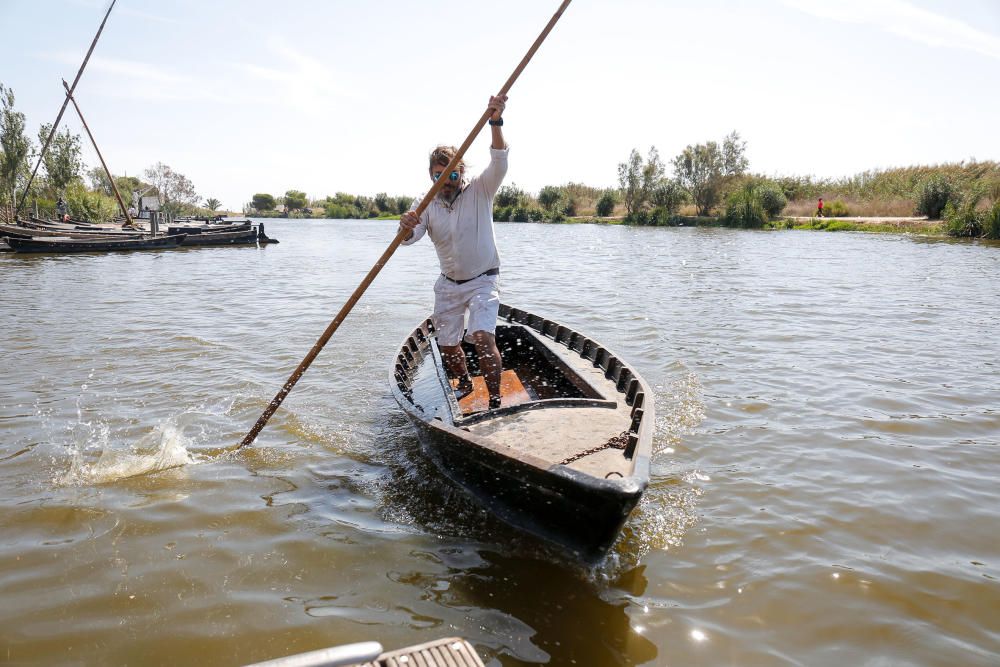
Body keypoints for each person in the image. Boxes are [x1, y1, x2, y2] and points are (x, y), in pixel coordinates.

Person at [399, 95, 509, 411]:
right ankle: (462, 382)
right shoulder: (426, 202)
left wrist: (496, 121)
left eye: (450, 175)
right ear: (430, 176)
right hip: (448, 283)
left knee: (482, 338)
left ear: (460, 172)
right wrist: (404, 226)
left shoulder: (481, 189)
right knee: (448, 346)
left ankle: (495, 401)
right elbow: (410, 237)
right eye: (437, 176)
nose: (444, 181)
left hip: (483, 280)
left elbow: (499, 160)